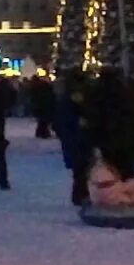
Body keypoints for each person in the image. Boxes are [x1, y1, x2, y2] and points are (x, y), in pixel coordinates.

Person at [54, 72, 91, 206]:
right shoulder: (78, 97)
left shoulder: (65, 98)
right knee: (82, 167)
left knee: (80, 168)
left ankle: (80, 194)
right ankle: (81, 194)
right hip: (78, 137)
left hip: (72, 137)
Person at [30, 74, 56, 139]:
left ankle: (41, 132)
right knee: (44, 120)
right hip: (45, 105)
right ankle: (43, 133)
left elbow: (33, 97)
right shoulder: (43, 87)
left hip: (40, 105)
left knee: (42, 120)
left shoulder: (34, 87)